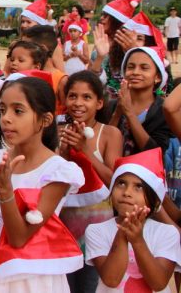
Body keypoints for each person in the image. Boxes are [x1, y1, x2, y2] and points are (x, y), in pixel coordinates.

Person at [0, 77, 85, 292]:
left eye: (18, 111)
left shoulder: (57, 172)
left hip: (29, 272)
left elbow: (18, 238)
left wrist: (5, 191)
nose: (6, 119)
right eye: (2, 110)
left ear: (45, 119)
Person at [58, 71, 122, 293]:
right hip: (62, 230)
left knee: (90, 287)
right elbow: (51, 181)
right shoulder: (57, 132)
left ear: (99, 102)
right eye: (72, 96)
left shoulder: (109, 134)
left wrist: (85, 150)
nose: (78, 103)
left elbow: (114, 182)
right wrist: (64, 155)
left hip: (98, 233)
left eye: (87, 97)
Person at [85, 148, 181, 292]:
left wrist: (137, 240)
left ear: (154, 202)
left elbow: (158, 283)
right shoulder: (96, 230)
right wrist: (124, 232)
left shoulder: (167, 232)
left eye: (138, 187)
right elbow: (111, 279)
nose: (127, 192)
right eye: (121, 183)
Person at [109, 46, 173, 156]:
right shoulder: (112, 105)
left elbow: (155, 153)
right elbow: (103, 142)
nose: (135, 72)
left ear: (157, 77)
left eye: (144, 68)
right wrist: (117, 113)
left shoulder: (163, 111)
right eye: (130, 67)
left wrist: (129, 113)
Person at [90, 0, 142, 101]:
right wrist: (99, 57)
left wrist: (132, 51)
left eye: (105, 16)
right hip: (101, 102)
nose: (101, 19)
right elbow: (90, 78)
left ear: (116, 20)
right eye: (102, 15)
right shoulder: (100, 44)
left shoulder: (127, 46)